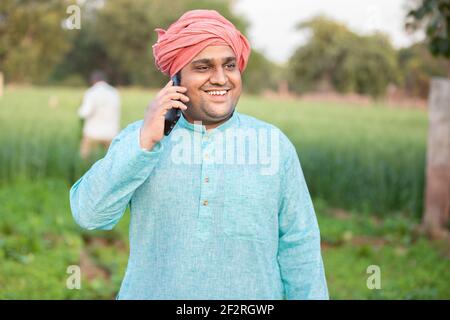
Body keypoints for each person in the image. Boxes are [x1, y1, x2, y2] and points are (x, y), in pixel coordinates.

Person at [70, 10, 328, 300]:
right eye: (203, 67)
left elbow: (300, 246)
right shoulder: (139, 138)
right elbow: (89, 214)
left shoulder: (274, 145)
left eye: (229, 65)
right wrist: (145, 141)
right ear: (176, 79)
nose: (221, 78)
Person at [78, 71, 121, 160]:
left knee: (85, 158)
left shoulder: (91, 92)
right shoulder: (114, 92)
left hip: (93, 133)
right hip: (111, 132)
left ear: (93, 81)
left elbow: (84, 113)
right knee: (112, 160)